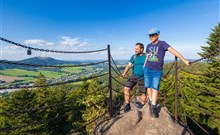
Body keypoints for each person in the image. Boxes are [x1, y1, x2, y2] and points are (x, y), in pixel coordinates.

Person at [144, 28, 190, 118]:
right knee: (148, 86)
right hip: (147, 68)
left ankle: (153, 106)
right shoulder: (148, 45)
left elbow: (173, 51)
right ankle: (150, 100)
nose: (151, 37)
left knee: (155, 88)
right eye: (150, 35)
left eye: (153, 35)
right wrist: (144, 65)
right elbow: (147, 56)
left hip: (157, 70)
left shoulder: (162, 43)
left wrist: (184, 59)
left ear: (158, 35)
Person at [121, 43, 147, 112]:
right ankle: (127, 104)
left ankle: (143, 105)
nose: (135, 50)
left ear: (141, 49)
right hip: (134, 75)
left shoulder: (146, 56)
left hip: (143, 77)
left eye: (137, 49)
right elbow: (129, 66)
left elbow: (154, 61)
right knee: (126, 88)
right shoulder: (134, 57)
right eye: (135, 49)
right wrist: (124, 73)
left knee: (143, 92)